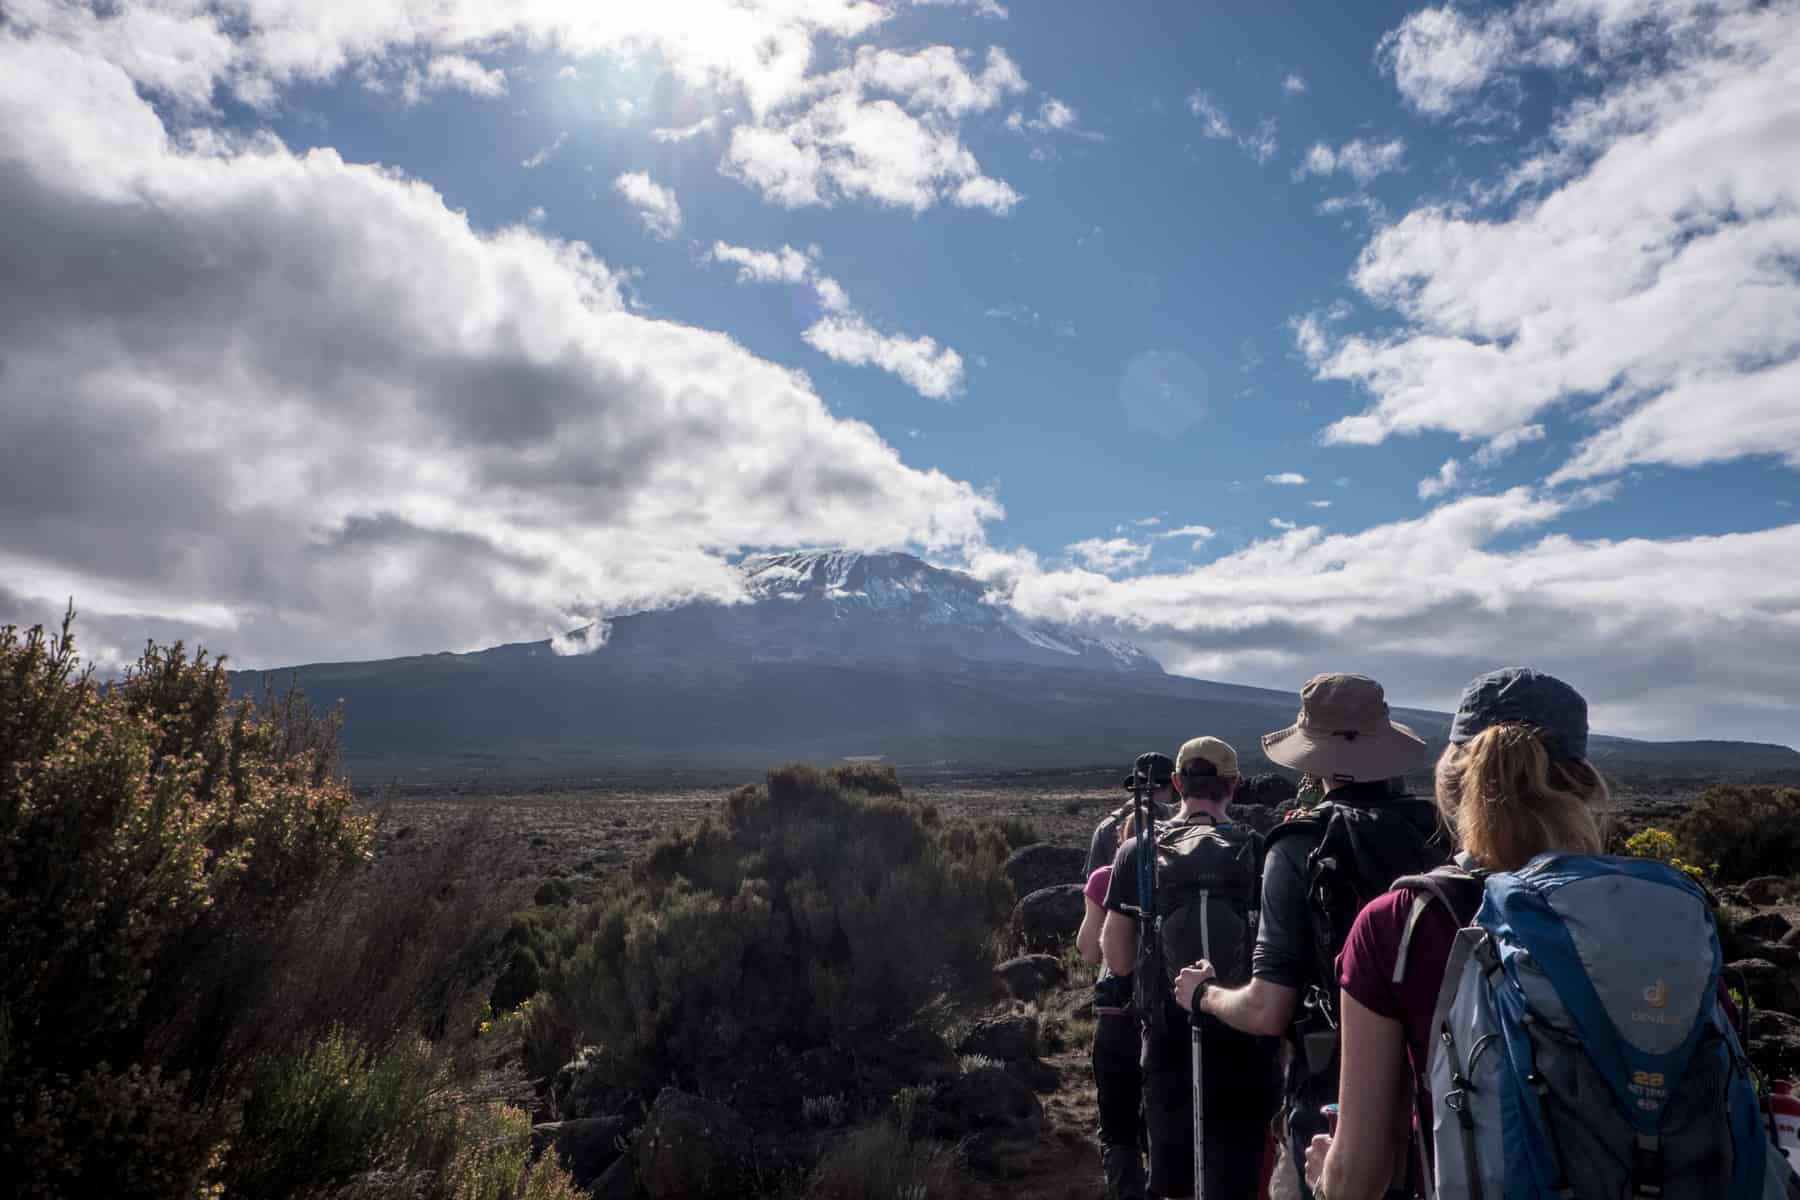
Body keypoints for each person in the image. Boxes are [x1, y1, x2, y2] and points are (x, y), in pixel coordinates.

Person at [1299, 668, 1613, 1199]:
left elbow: (1360, 1177)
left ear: (1451, 785)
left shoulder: (1399, 924)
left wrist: (1328, 1176)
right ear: (1585, 785)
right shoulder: (1665, 912)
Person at [1172, 674, 1444, 1200]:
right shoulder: (1441, 834)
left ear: (1313, 760)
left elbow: (1269, 1009)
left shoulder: (1299, 846)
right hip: (1442, 1103)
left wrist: (1202, 995)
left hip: (1332, 1109)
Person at [1102, 737, 1281, 1199]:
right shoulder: (1262, 851)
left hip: (1167, 1041)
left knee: (1175, 1178)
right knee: (1242, 1173)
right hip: (1247, 1035)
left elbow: (1118, 959)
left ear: (1177, 783)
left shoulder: (1137, 851)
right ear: (1233, 786)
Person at [1079, 857, 1148, 1200]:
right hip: (1181, 1015)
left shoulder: (1106, 877)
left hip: (1118, 1017)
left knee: (1119, 1128)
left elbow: (1090, 950)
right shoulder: (1198, 863)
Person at [1086, 753, 1177, 878]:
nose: (1148, 792)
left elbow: (1094, 885)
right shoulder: (1182, 827)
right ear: (1173, 787)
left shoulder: (1107, 827)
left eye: (1158, 785)